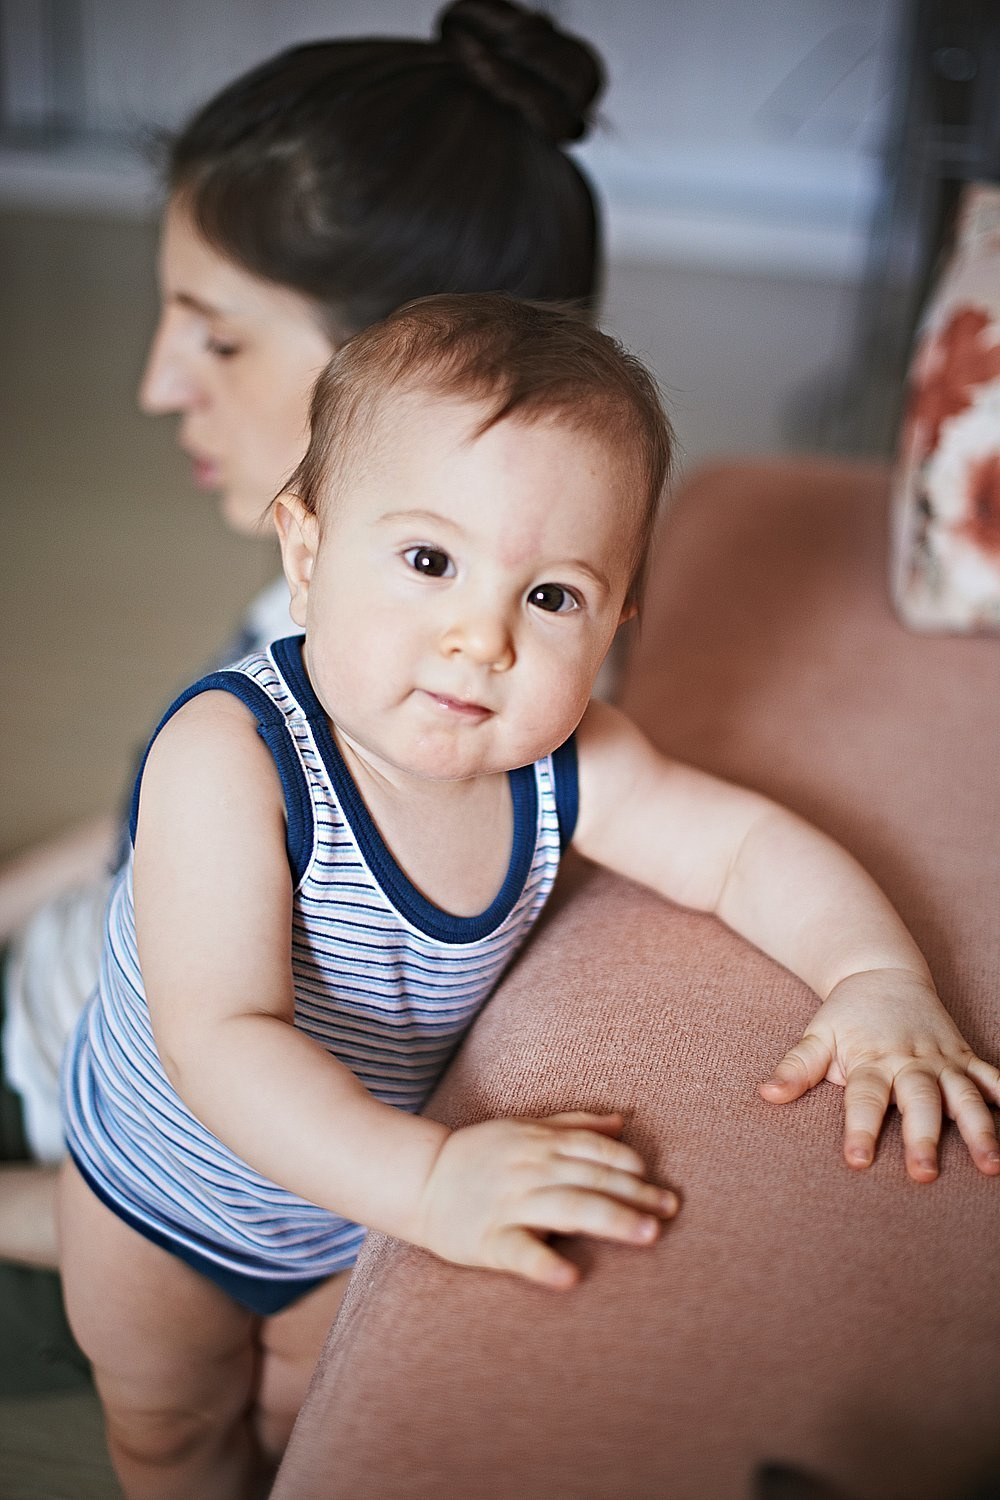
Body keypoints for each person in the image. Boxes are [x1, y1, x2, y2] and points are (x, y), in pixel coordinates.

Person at [60, 294, 1000, 1500]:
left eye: (550, 596)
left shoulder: (570, 763)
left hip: (346, 1215)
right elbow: (220, 1044)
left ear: (616, 622)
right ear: (305, 554)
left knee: (300, 1415)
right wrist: (432, 1184)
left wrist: (875, 980)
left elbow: (744, 851)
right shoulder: (231, 754)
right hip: (162, 1198)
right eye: (428, 561)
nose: (479, 637)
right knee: (169, 1429)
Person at [0, 0, 606, 1326]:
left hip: (99, 1121)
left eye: (216, 335)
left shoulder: (438, 704)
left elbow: (200, 1136)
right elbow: (139, 838)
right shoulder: (334, 594)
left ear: (391, 369)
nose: (161, 384)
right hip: (63, 959)